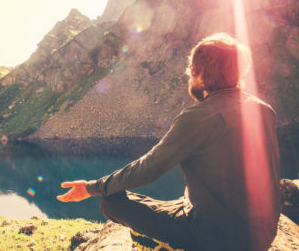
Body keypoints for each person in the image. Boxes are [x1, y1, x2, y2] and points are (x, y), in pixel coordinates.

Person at [57, 33, 280, 251]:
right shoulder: (263, 109)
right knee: (185, 198)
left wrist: (91, 187)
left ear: (199, 71)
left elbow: (147, 169)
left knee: (111, 201)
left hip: (218, 239)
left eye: (192, 69)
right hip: (263, 235)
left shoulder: (198, 117)